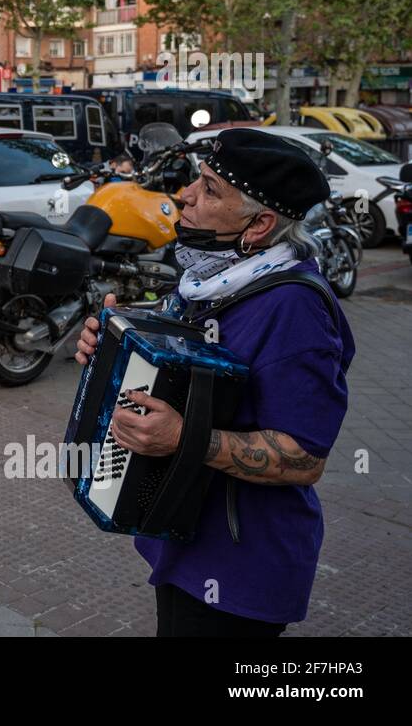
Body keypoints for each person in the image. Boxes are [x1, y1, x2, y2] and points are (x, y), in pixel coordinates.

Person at [75, 128, 353, 637]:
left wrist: (184, 439)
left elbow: (305, 458)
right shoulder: (219, 275)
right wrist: (112, 346)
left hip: (241, 567)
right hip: (188, 544)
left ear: (260, 223)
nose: (186, 195)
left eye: (209, 189)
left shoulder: (294, 309)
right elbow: (184, 359)